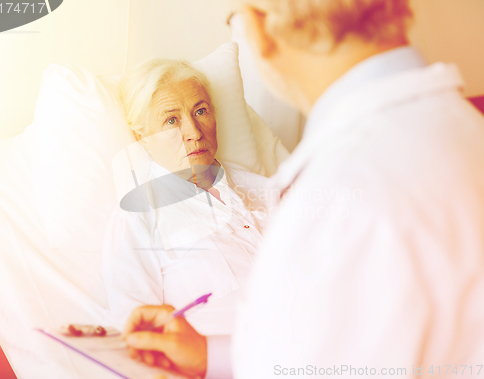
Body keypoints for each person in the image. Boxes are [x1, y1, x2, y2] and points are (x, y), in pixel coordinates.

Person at [121, 1, 484, 378]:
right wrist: (211, 355)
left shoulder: (341, 189)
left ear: (259, 29)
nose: (193, 132)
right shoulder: (465, 128)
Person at [102, 59, 273, 376]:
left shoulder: (265, 189)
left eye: (200, 111)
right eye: (171, 121)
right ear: (142, 137)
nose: (193, 132)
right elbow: (137, 340)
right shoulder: (137, 217)